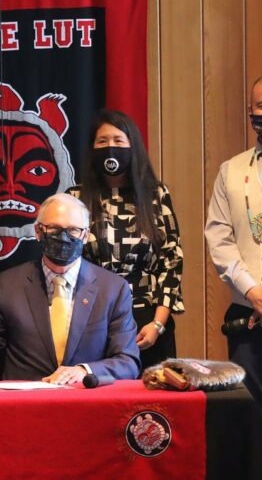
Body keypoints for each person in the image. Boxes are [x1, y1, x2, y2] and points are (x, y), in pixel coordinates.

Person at [0, 193, 140, 384]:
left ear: (85, 234)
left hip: (86, 410)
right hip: (23, 411)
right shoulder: (7, 285)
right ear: (38, 231)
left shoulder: (112, 289)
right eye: (53, 228)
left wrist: (85, 371)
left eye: (73, 230)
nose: (63, 238)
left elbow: (127, 362)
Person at [68, 109, 184, 371]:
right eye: (102, 142)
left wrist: (157, 324)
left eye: (118, 141)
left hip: (148, 320)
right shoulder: (75, 197)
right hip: (95, 319)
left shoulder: (156, 195)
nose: (110, 148)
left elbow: (172, 261)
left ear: (133, 146)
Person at [205, 73, 262, 463]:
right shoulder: (230, 171)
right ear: (250, 112)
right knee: (252, 423)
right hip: (248, 320)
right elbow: (218, 237)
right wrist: (252, 290)